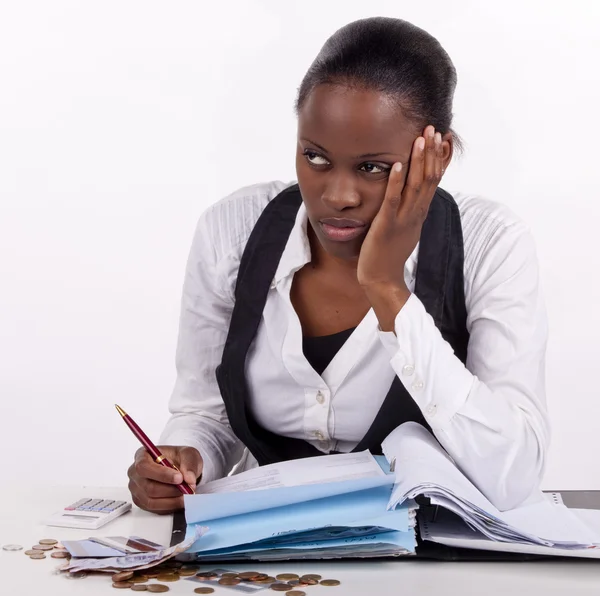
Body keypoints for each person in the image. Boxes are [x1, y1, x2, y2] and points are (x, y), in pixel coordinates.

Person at [127, 17, 549, 514]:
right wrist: (185, 457)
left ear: (437, 155)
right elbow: (207, 414)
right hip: (270, 552)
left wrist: (388, 290)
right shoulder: (232, 232)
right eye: (316, 157)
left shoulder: (488, 244)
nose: (337, 196)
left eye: (372, 167)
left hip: (428, 566)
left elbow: (515, 473)